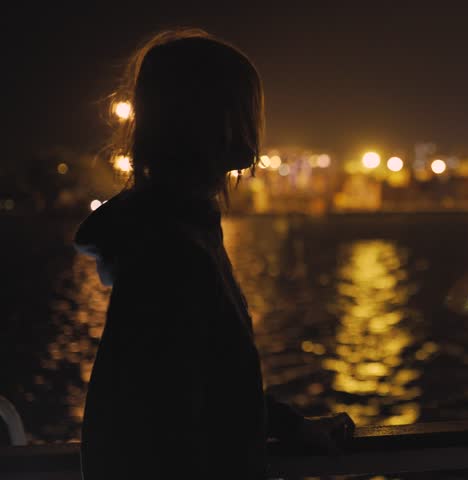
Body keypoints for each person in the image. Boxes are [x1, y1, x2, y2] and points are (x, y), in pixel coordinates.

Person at [74, 29, 353, 479]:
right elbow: (171, 420)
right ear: (211, 118)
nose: (255, 124)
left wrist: (289, 426)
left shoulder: (175, 230)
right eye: (246, 105)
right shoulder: (172, 249)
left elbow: (212, 384)